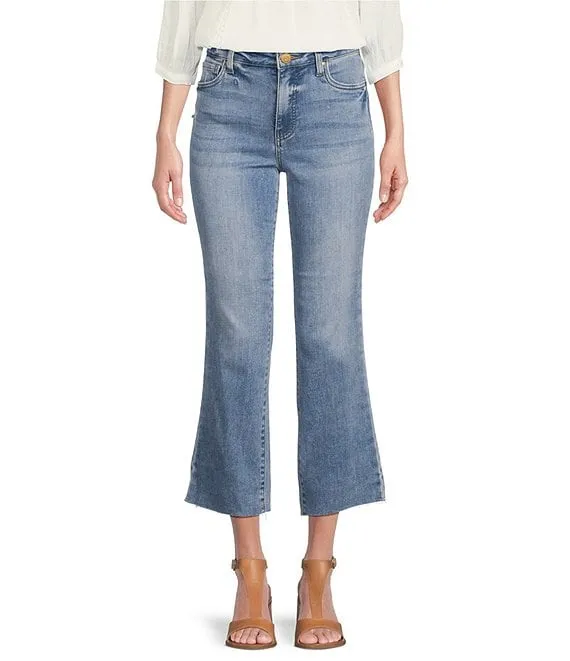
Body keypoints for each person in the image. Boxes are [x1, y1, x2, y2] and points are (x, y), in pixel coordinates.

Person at [152, 0, 407, 650]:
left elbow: (379, 8)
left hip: (334, 94)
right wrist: (165, 130)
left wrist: (396, 129)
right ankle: (250, 569)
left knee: (331, 336)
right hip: (227, 93)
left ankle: (318, 571)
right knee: (236, 336)